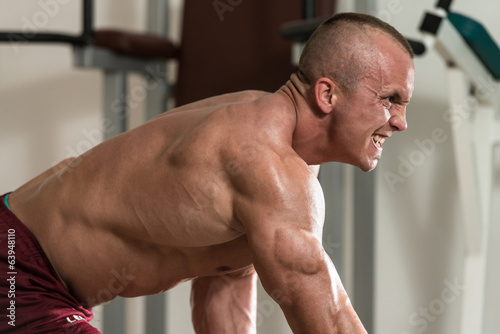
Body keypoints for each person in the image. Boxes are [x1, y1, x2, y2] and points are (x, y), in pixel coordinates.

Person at [0, 12, 415, 334]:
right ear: (327, 94)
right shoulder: (267, 164)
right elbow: (327, 316)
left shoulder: (280, 152)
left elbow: (225, 276)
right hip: (18, 270)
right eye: (389, 99)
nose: (400, 122)